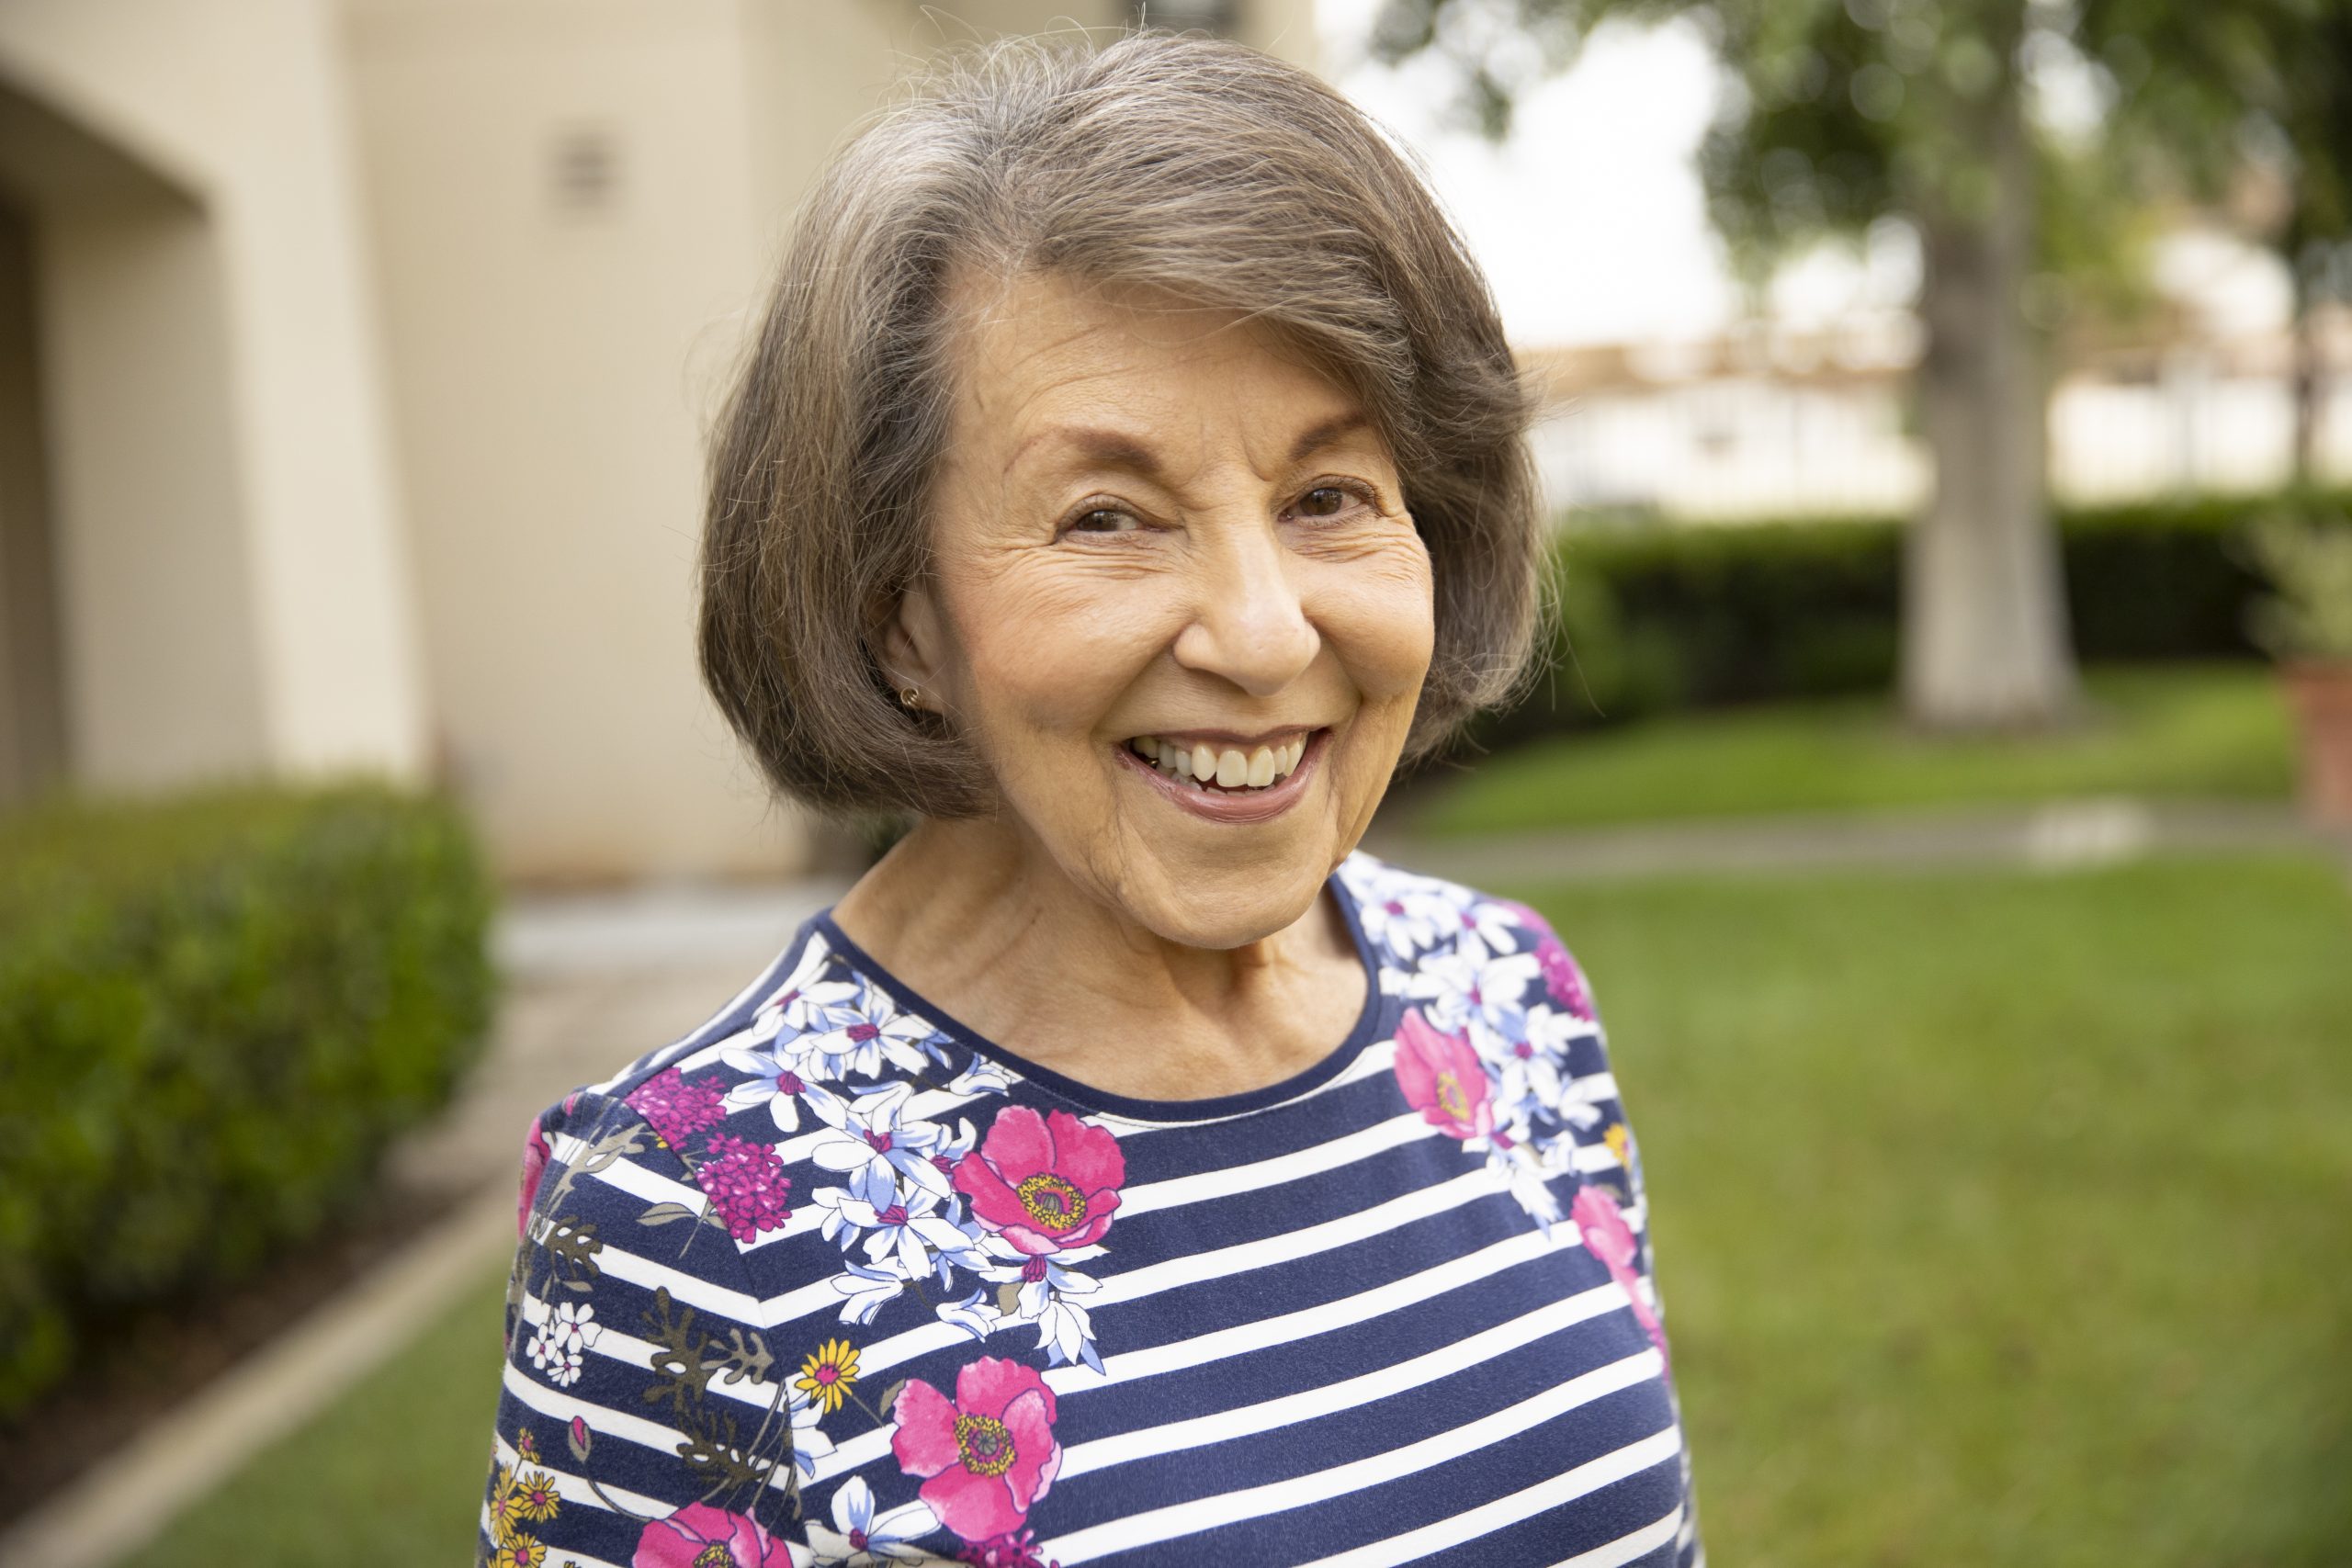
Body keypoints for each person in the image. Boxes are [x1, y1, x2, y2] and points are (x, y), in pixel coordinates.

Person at [479, 28, 1701, 1568]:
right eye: (1108, 515)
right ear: (896, 613)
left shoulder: (1512, 1003)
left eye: (1329, 496)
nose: (1263, 636)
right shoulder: (684, 1215)